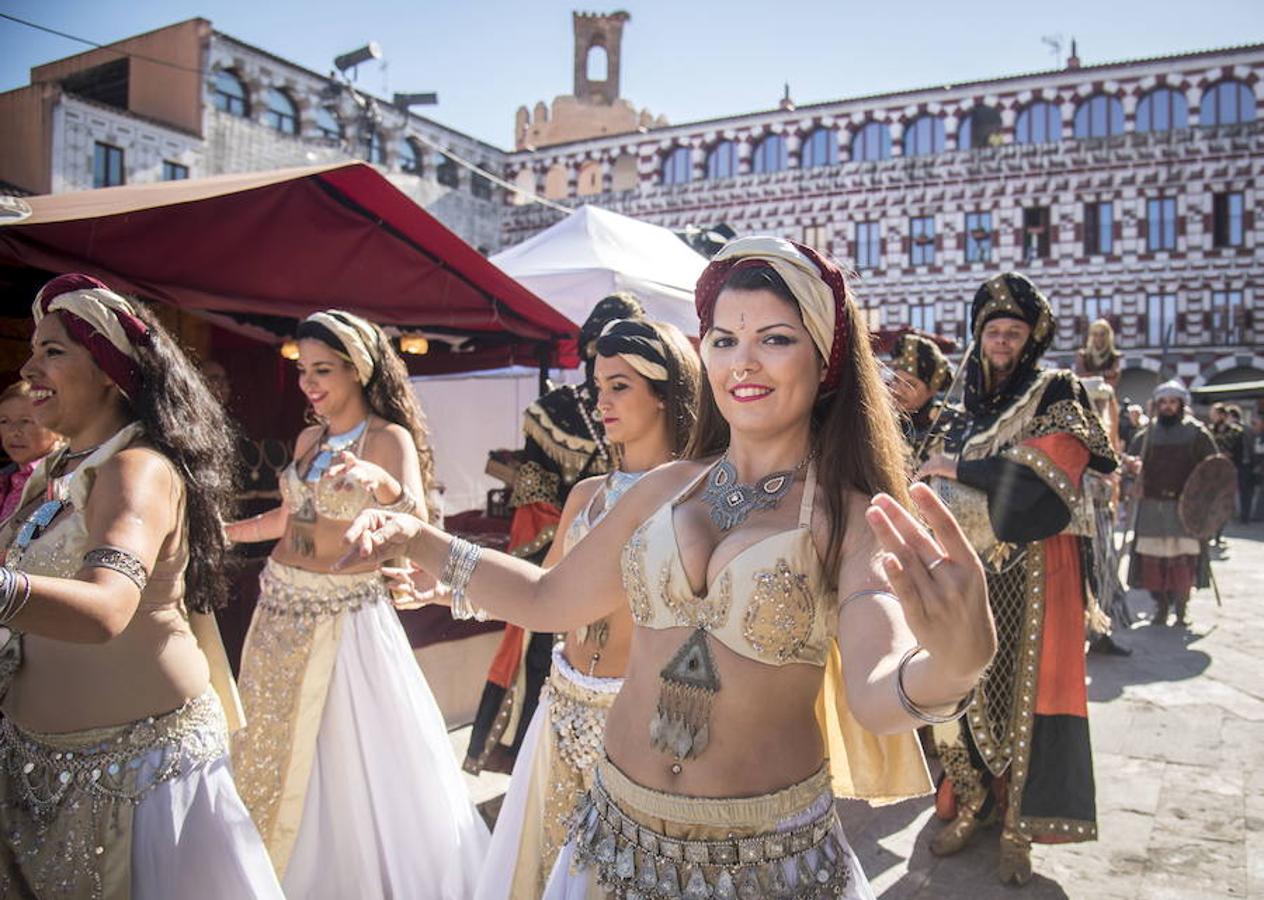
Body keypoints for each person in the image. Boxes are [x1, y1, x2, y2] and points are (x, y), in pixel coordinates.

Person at [341, 236, 995, 898]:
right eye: (722, 340)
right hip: (613, 839)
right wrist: (418, 537)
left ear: (824, 357)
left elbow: (878, 692)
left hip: (761, 863)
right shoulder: (664, 489)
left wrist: (953, 666)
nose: (743, 362)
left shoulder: (850, 520)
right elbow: (548, 599)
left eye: (774, 339)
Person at [0, 274, 283, 898]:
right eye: (33, 348)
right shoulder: (57, 469)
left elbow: (106, 607)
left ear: (107, 369)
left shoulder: (138, 469)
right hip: (35, 773)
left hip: (139, 787)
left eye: (53, 351)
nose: (29, 365)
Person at [430, 319, 700, 899]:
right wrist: (441, 590)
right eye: (598, 384)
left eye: (620, 386)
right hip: (562, 707)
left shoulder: (695, 499)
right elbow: (542, 590)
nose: (601, 400)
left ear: (664, 392)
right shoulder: (587, 494)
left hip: (637, 725)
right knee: (549, 867)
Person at [226, 310, 488, 897]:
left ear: (358, 371)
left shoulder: (386, 438)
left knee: (348, 760)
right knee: (272, 743)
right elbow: (290, 519)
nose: (309, 383)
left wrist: (385, 484)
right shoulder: (309, 440)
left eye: (323, 370)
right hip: (279, 612)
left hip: (347, 620)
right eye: (302, 370)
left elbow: (417, 518)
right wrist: (221, 532)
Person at [918, 272, 1118, 885]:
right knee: (959, 690)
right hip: (964, 566)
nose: (1002, 341)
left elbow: (1054, 469)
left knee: (1028, 700)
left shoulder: (1055, 388)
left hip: (1036, 567)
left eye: (1014, 331)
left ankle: (1017, 830)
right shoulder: (962, 401)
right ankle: (971, 803)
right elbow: (922, 467)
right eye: (992, 331)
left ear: (1033, 337)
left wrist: (958, 465)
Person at [466, 293, 645, 775]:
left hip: (641, 579)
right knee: (546, 660)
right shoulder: (555, 414)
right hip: (564, 556)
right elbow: (532, 498)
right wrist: (570, 549)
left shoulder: (666, 417)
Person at [1125, 380, 1217, 627]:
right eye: (1163, 402)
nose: (1167, 407)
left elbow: (1213, 467)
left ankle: (1182, 609)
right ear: (1156, 405)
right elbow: (1130, 464)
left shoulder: (1196, 433)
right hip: (1153, 507)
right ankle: (1161, 608)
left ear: (1180, 404)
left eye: (1172, 402)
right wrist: (1133, 470)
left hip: (1183, 508)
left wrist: (1204, 498)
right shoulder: (1146, 435)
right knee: (1155, 564)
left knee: (1183, 562)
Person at [888, 332, 953, 466]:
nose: (898, 390)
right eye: (896, 380)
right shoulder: (883, 423)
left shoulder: (948, 430)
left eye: (910, 384)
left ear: (931, 390)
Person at [0, 381, 61, 521]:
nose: (13, 432)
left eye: (26, 421)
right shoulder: (6, 479)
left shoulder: (64, 478)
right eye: (4, 421)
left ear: (57, 426)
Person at [1073, 318, 1121, 388]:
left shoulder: (1114, 357)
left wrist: (1092, 376)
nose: (1099, 338)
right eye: (1095, 334)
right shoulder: (1083, 356)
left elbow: (1112, 381)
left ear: (1108, 336)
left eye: (1102, 334)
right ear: (1091, 336)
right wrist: (1103, 374)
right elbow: (1080, 378)